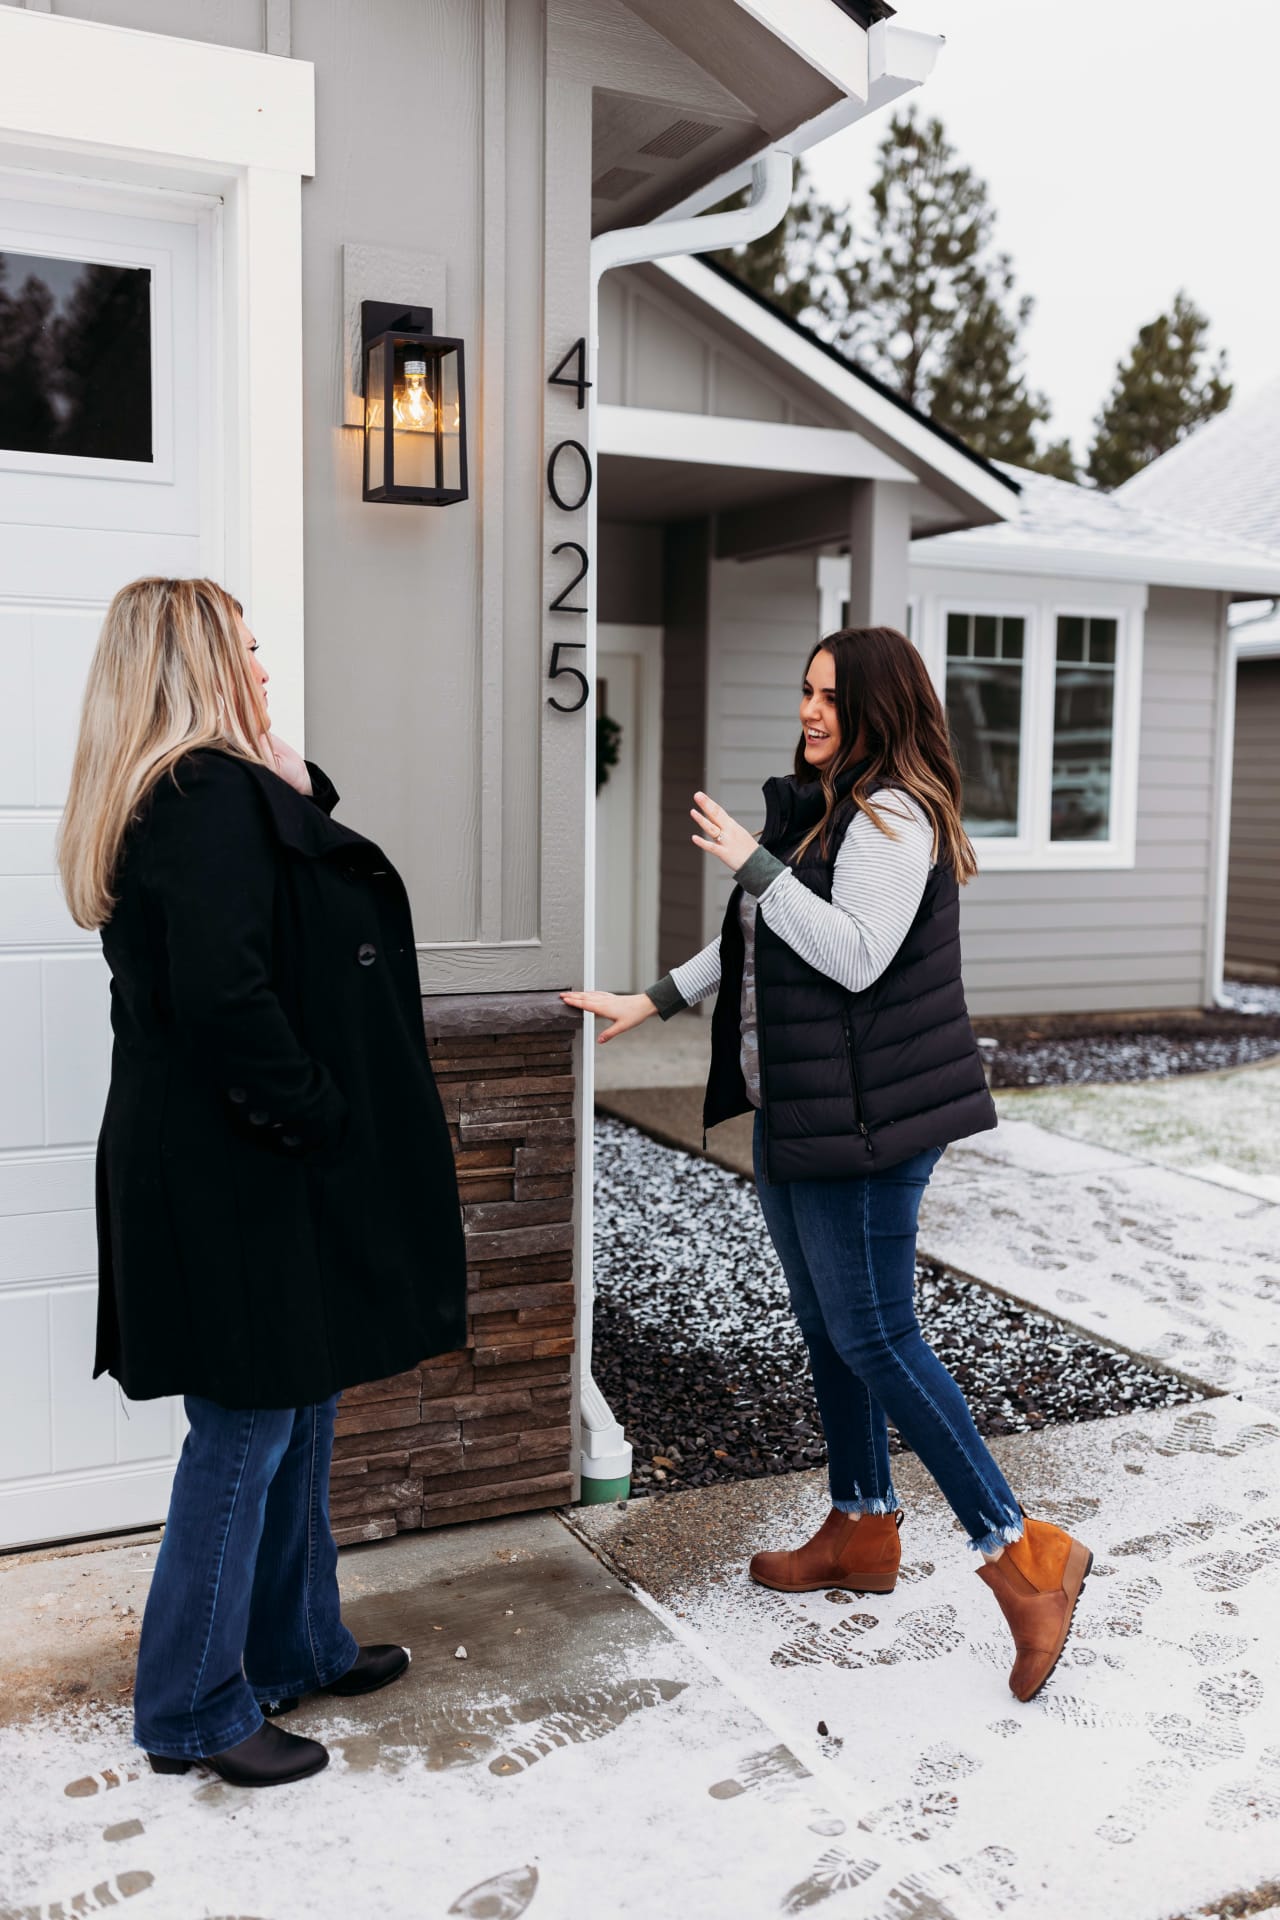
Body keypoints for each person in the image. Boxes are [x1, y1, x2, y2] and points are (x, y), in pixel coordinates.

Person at [563, 625, 1092, 1704]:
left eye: (830, 697)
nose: (809, 711)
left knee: (877, 1334)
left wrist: (751, 860)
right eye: (804, 690)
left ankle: (1022, 1554)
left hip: (868, 1123)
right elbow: (760, 933)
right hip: (801, 1109)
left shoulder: (895, 816)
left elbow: (850, 953)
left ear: (877, 709)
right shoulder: (830, 810)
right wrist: (649, 999)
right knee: (827, 1330)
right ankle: (859, 1527)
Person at [58, 578, 467, 1785]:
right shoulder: (195, 798)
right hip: (229, 1170)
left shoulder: (210, 792)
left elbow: (282, 902)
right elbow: (227, 996)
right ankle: (191, 1707)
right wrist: (317, 1114)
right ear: (193, 666)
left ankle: (294, 1643)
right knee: (244, 1430)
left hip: (235, 1161)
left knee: (303, 1399)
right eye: (244, 652)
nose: (264, 669)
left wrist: (293, 779)